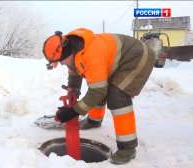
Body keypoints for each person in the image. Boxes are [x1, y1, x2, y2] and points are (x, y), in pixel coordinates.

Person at [42, 28, 155, 164]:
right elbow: (74, 69)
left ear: (67, 53)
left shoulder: (91, 54)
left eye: (62, 61)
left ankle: (128, 148)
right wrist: (73, 90)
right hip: (119, 59)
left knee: (117, 96)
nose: (61, 64)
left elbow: (98, 91)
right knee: (98, 85)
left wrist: (74, 111)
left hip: (137, 58)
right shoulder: (72, 47)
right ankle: (94, 120)